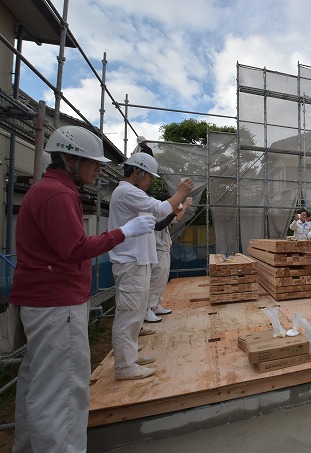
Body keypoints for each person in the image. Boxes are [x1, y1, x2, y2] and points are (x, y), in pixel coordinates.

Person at [9, 125, 155, 452]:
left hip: (44, 300)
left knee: (38, 384)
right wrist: (124, 232)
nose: (98, 168)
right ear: (68, 159)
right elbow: (74, 248)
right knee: (64, 390)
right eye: (91, 162)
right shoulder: (57, 194)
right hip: (57, 303)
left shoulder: (50, 190)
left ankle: (30, 446)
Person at [108, 153, 193, 380]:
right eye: (149, 177)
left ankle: (130, 356)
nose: (150, 182)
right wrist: (181, 193)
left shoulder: (132, 192)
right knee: (128, 314)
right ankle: (125, 366)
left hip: (137, 260)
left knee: (135, 312)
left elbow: (159, 214)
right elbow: (160, 210)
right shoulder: (127, 191)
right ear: (138, 172)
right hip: (130, 261)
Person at [145, 193, 193, 323]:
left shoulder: (163, 215)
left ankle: (156, 305)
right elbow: (169, 219)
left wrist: (186, 205)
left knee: (161, 280)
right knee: (155, 280)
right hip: (158, 250)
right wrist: (179, 209)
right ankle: (148, 309)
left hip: (164, 250)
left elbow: (176, 218)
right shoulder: (155, 214)